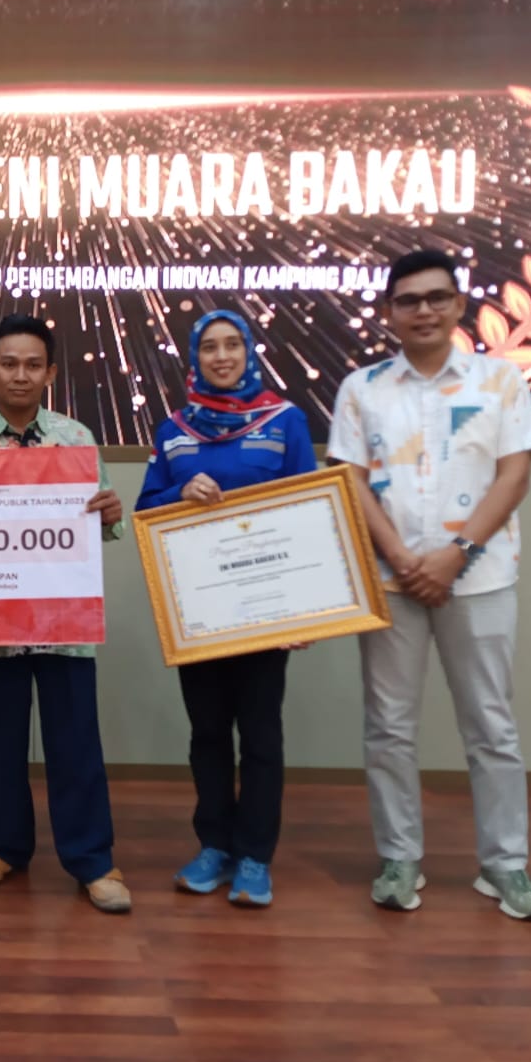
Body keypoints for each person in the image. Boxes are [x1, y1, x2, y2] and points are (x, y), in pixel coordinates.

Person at [330, 249, 531, 922]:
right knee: (389, 728)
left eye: (435, 298)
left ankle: (505, 865)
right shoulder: (361, 388)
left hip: (479, 579)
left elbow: (515, 474)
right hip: (391, 585)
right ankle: (399, 858)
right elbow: (350, 480)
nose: (422, 310)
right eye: (407, 300)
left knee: (491, 725)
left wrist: (455, 553)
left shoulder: (502, 381)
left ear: (459, 305)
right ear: (389, 313)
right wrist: (400, 557)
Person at [0, 315, 131, 914]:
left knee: (75, 742)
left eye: (31, 365)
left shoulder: (75, 439)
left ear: (49, 373)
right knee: (2, 741)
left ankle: (93, 860)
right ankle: (5, 848)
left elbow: (106, 525)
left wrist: (108, 511)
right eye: (7, 363)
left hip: (64, 624)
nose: (19, 375)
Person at [135, 309, 316, 908]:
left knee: (261, 735)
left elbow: (307, 510)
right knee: (208, 734)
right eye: (209, 347)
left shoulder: (284, 421)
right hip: (200, 612)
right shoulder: (174, 429)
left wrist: (301, 609)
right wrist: (178, 492)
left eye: (232, 345)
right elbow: (146, 509)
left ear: (248, 352)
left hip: (263, 610)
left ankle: (255, 858)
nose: (220, 356)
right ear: (195, 357)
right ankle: (213, 845)